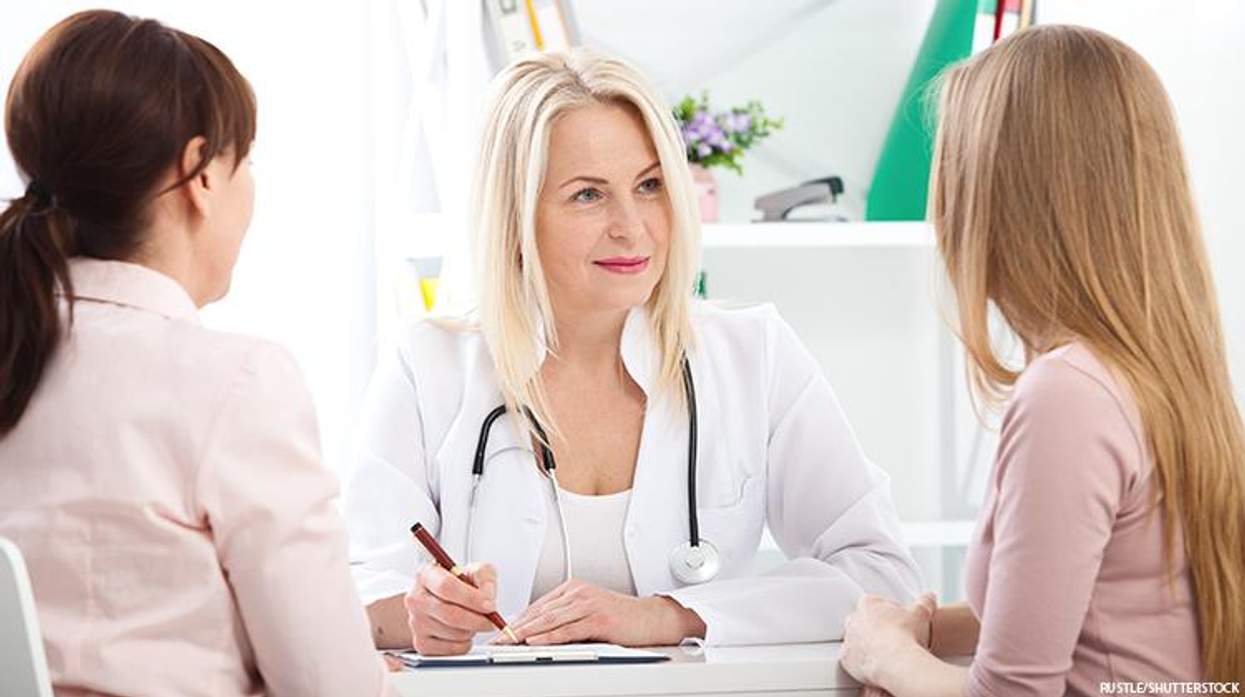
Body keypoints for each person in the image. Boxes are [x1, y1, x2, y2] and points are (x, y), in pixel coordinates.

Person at [343, 47, 922, 656]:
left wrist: (670, 615)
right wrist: (419, 614)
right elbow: (353, 590)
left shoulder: (755, 356)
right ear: (515, 213)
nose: (632, 226)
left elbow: (880, 575)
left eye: (650, 186)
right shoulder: (428, 365)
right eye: (587, 195)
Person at [839, 25, 1245, 695]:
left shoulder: (1068, 395)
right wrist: (929, 632)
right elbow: (1100, 612)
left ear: (996, 198)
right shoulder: (1154, 374)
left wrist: (884, 654)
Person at [0, 11, 392, 696]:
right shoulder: (232, 383)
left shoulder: (17, 352)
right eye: (245, 163)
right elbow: (332, 686)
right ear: (199, 174)